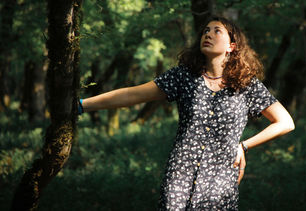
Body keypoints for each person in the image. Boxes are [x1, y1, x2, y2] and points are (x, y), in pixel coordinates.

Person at [79, 16, 294, 210]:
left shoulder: (246, 85)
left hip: (220, 182)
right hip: (179, 175)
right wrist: (81, 105)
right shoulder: (184, 77)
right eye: (205, 31)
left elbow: (285, 122)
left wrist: (243, 145)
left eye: (216, 31)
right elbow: (132, 95)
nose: (208, 34)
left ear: (232, 46)